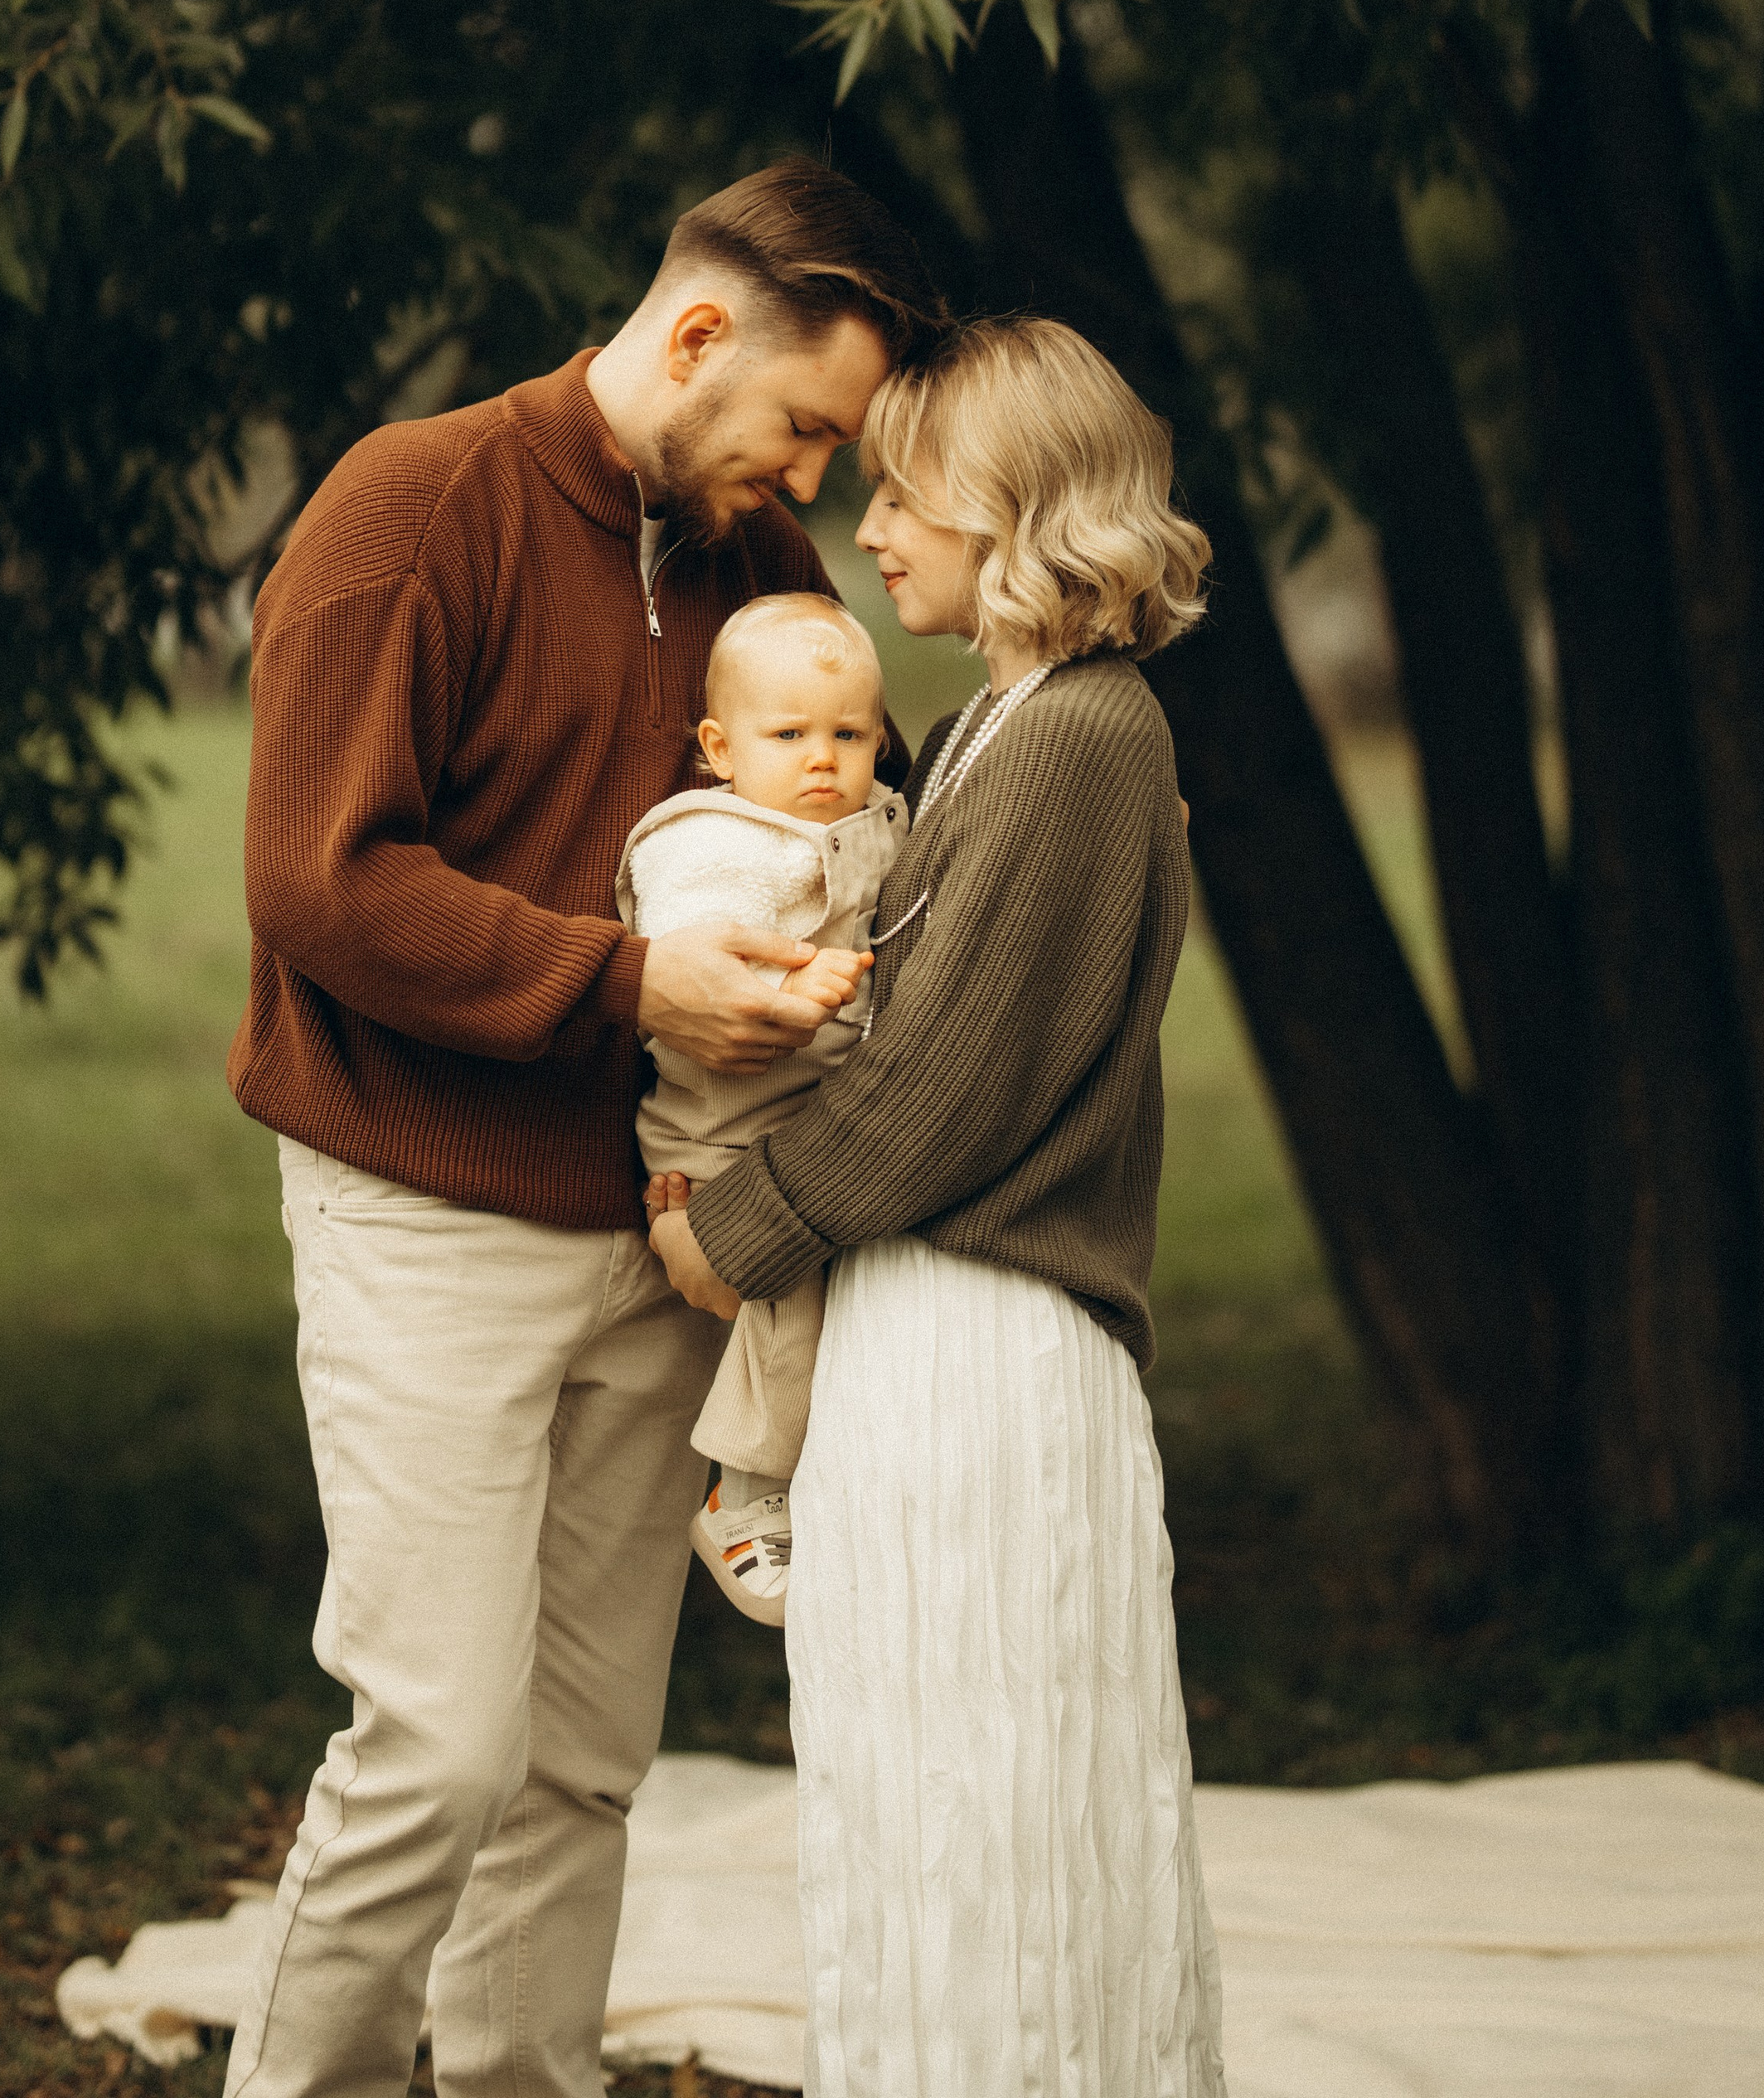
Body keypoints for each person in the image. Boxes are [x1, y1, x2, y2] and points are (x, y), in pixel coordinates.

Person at [220, 158, 940, 2098]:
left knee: (577, 1758)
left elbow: (866, 830)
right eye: (801, 426)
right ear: (695, 334)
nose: (807, 483)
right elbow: (320, 880)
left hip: (657, 1226)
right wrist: (631, 987)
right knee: (435, 1741)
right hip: (417, 1205)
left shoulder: (756, 575)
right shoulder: (409, 507)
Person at [652, 313, 1232, 2098]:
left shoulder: (1075, 739)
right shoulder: (998, 721)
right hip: (923, 1333)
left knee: (995, 1805)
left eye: (905, 492)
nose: (870, 528)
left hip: (984, 1339)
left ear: (1005, 506)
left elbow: (938, 1087)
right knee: (922, 1795)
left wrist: (725, 1232)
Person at [617, 591, 906, 1624]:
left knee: (830, 1294)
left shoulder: (874, 823)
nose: (822, 760)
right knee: (788, 1281)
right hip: (719, 1132)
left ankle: (796, 1478)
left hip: (806, 1120)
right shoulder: (713, 843)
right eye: (789, 736)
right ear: (720, 746)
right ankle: (742, 1493)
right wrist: (795, 992)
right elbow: (698, 975)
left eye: (848, 734)